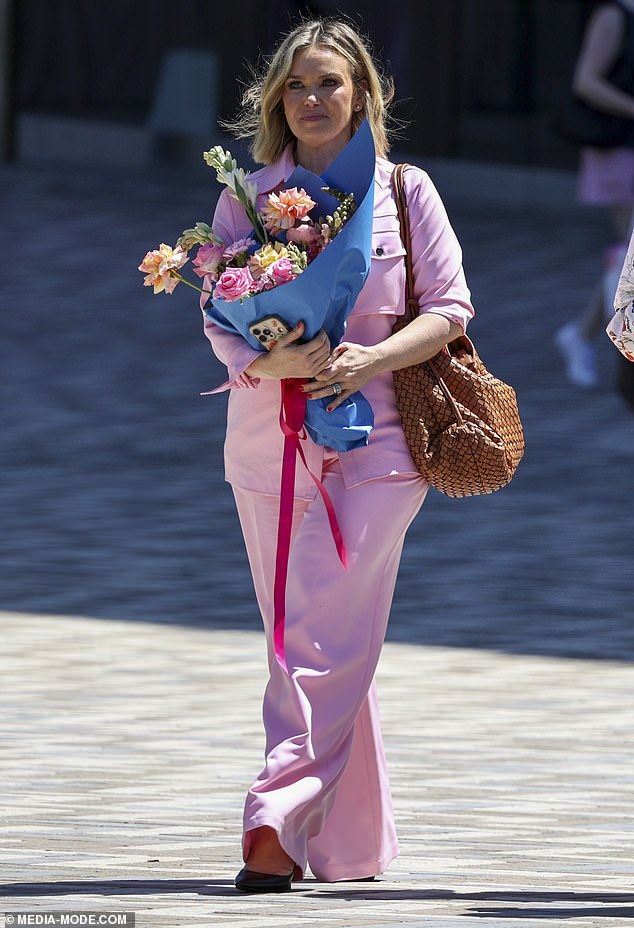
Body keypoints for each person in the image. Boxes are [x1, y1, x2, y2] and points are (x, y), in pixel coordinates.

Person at [203, 18, 474, 892]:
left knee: (317, 636)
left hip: (383, 443)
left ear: (362, 93)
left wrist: (370, 357)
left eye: (329, 83)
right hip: (268, 443)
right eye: (297, 86)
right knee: (319, 634)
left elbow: (450, 308)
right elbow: (216, 315)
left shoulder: (405, 190)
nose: (313, 100)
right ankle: (352, 846)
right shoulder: (247, 193)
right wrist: (266, 357)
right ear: (277, 100)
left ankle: (274, 815)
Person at [555, 0, 634, 388]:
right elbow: (587, 80)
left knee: (626, 255)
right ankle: (593, 337)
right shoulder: (615, 15)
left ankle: (583, 334)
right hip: (619, 150)